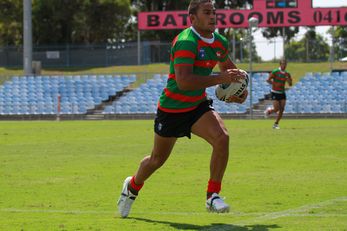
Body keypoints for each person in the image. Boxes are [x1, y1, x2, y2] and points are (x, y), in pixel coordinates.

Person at [117, 0, 248, 218]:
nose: (213, 16)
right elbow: (184, 82)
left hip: (197, 106)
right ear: (193, 18)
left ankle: (212, 196)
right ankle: (131, 188)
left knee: (222, 138)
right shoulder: (186, 41)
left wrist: (238, 91)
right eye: (207, 12)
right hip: (172, 109)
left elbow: (230, 71)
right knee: (156, 160)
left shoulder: (220, 42)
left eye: (214, 12)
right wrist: (220, 79)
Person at [264, 58, 292, 129]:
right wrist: (274, 84)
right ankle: (269, 111)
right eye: (283, 64)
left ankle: (276, 124)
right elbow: (268, 80)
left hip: (282, 93)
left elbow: (290, 84)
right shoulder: (275, 71)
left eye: (285, 64)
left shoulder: (287, 73)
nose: (284, 65)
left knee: (282, 109)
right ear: (280, 64)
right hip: (275, 92)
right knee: (276, 109)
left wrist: (288, 80)